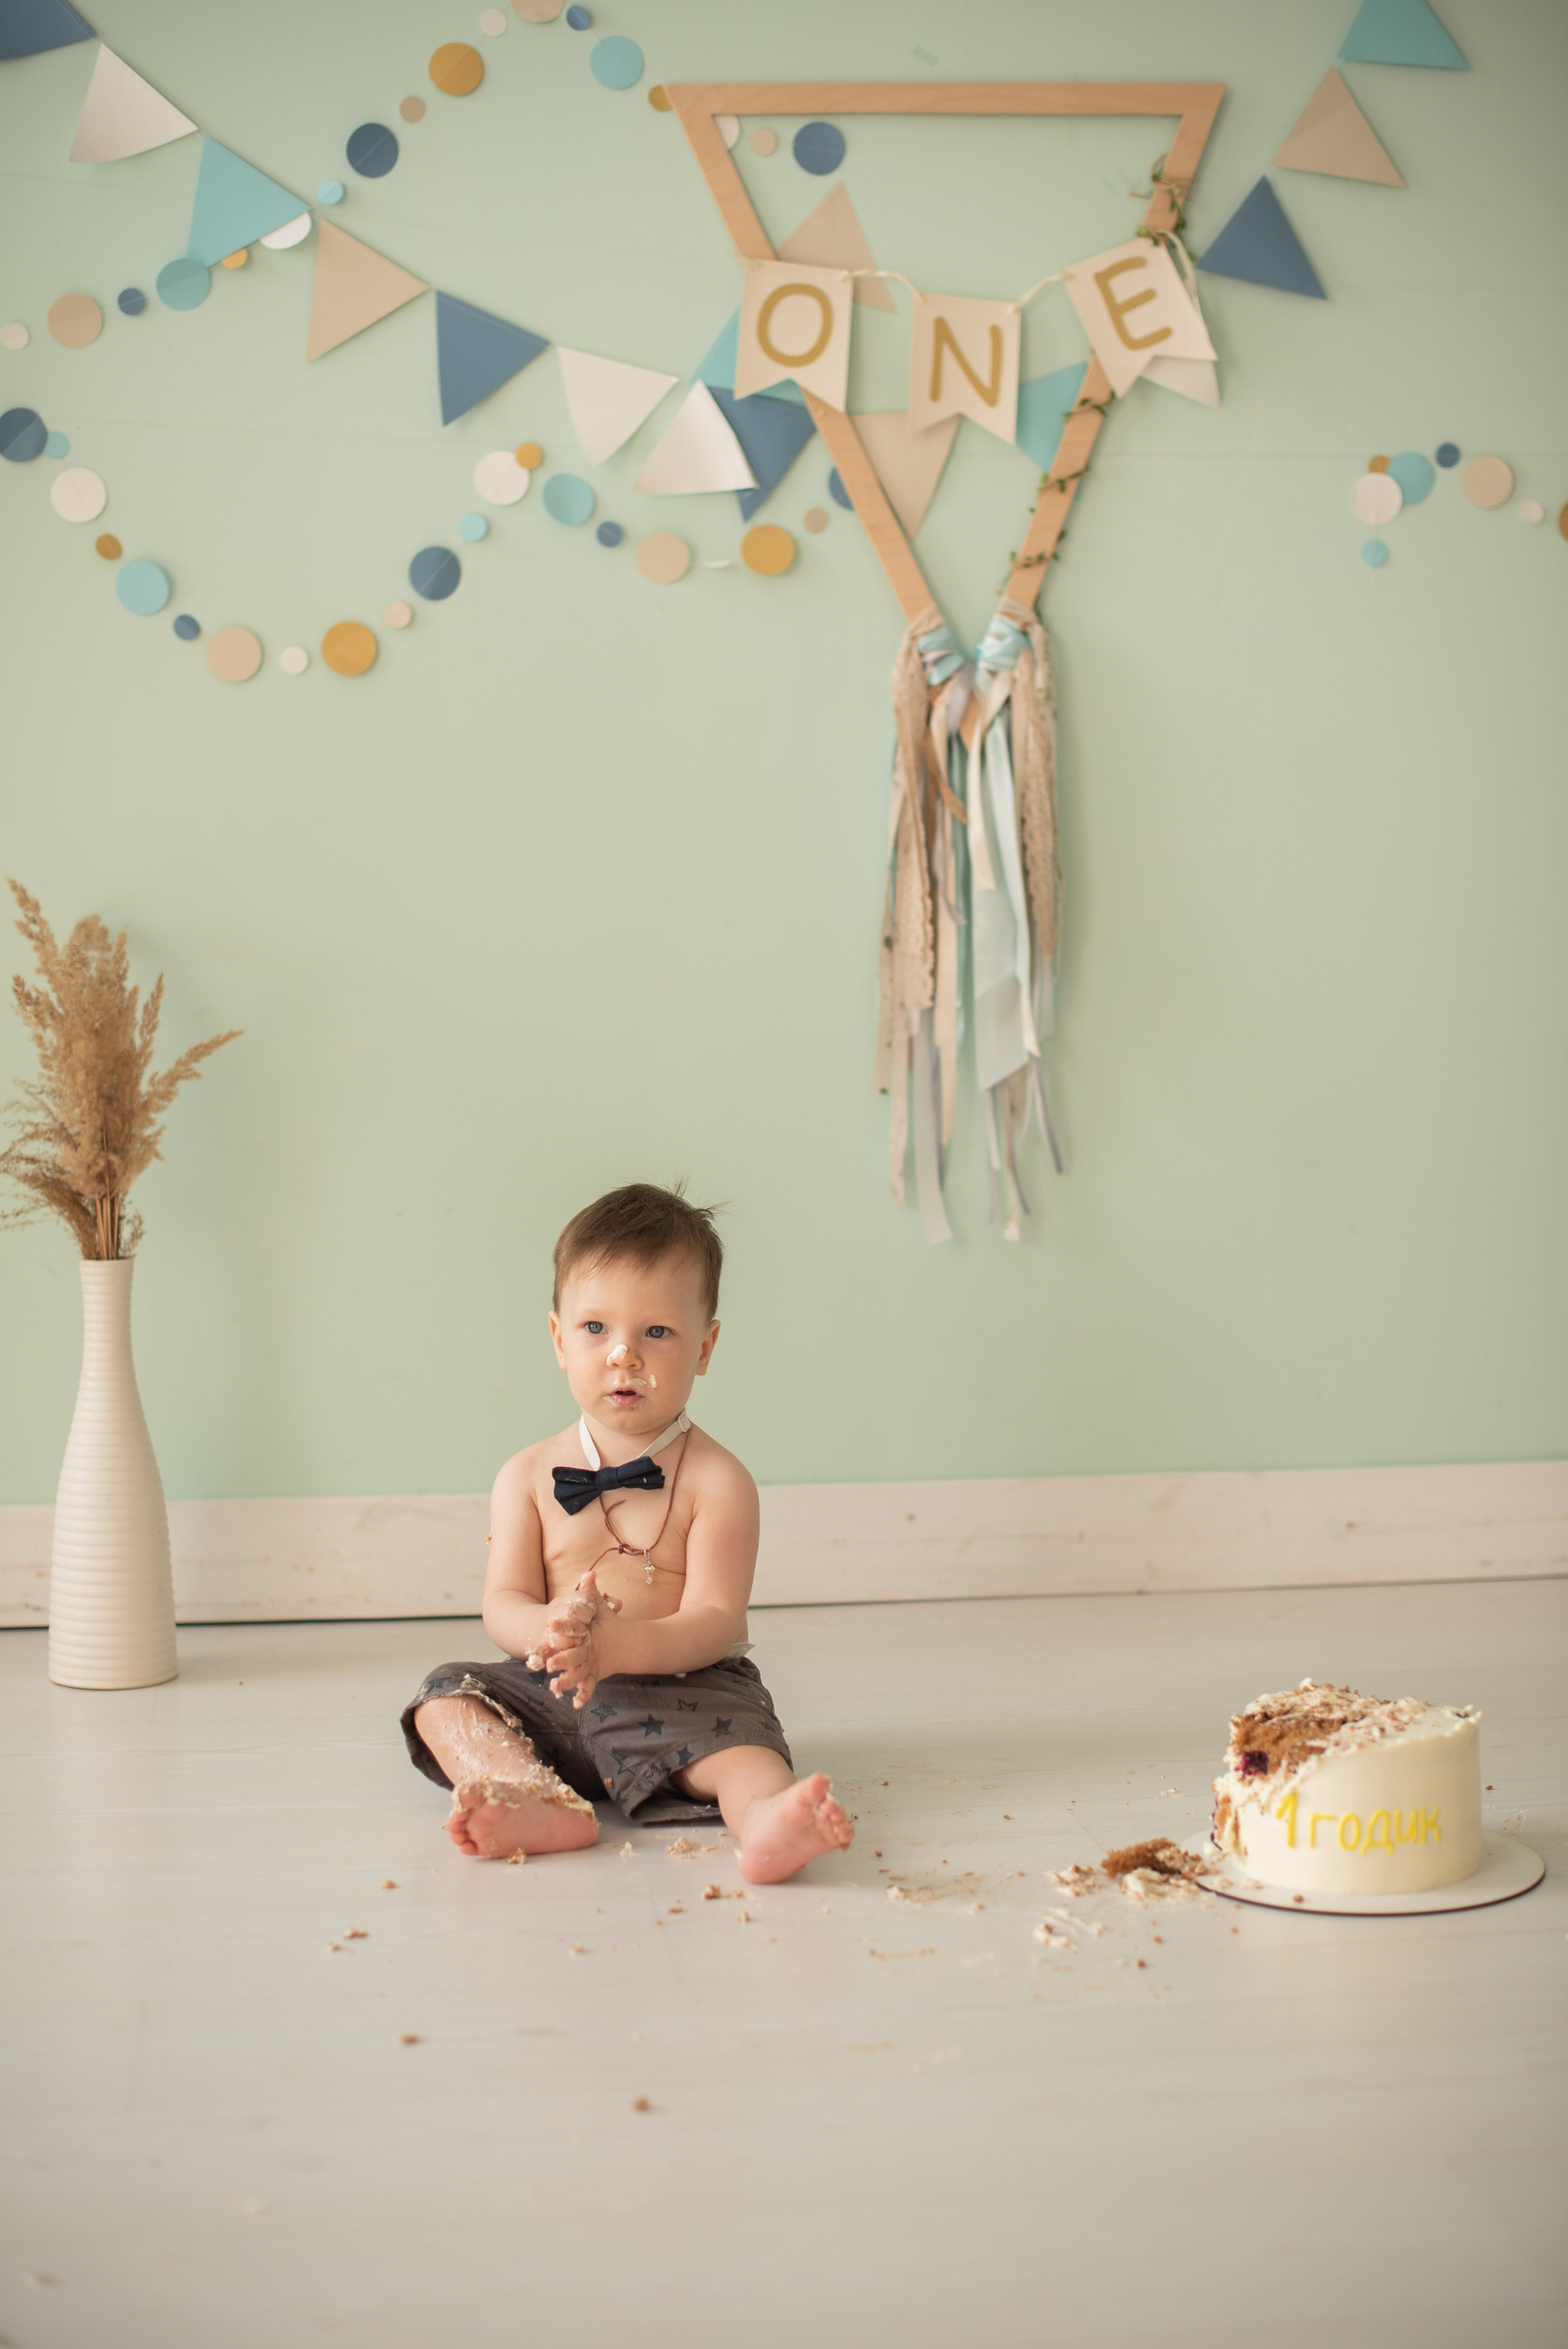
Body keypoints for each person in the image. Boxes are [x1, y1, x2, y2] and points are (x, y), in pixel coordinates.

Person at [401, 1183, 854, 1883]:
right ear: (557, 1337)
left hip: (683, 1696)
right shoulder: (524, 1475)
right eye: (595, 1329)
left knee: (746, 1749)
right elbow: (503, 1602)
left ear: (704, 1347)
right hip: (560, 1692)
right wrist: (548, 1628)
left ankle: (764, 1818)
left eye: (657, 1332)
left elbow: (715, 1618)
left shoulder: (718, 1481)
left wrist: (622, 1646)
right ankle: (535, 1795)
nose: (623, 1355)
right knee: (445, 1697)